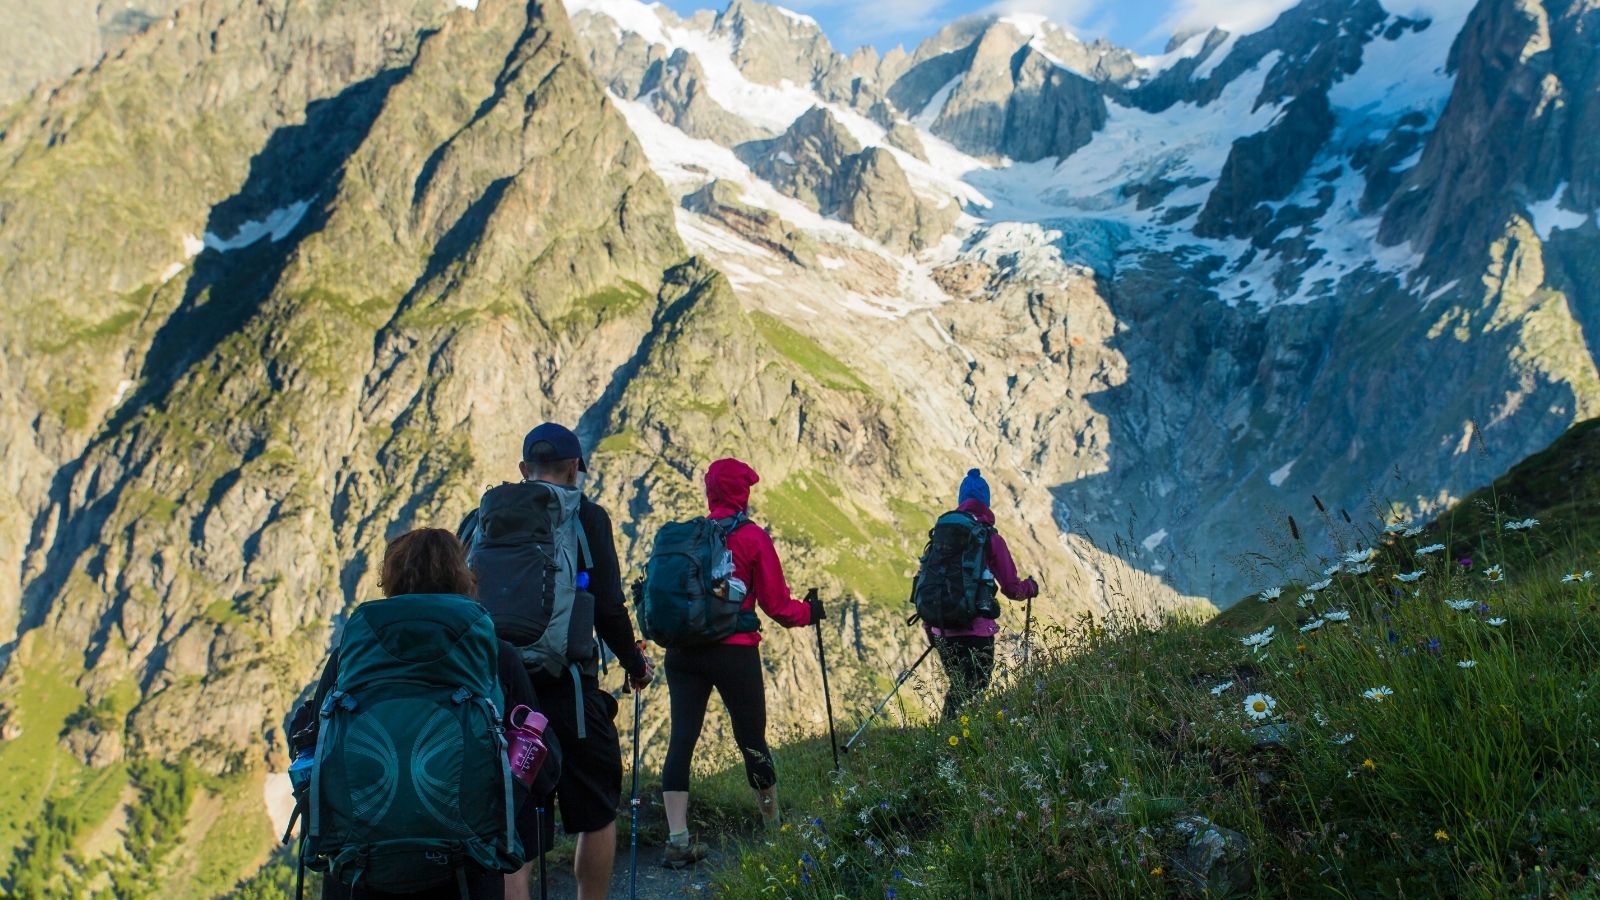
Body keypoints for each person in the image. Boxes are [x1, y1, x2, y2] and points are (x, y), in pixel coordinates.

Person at [288, 528, 560, 900]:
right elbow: (543, 768)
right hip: (467, 870)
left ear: (390, 582)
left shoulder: (348, 658)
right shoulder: (496, 655)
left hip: (360, 871)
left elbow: (315, 752)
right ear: (463, 578)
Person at [459, 422, 654, 900]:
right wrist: (634, 663)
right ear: (574, 468)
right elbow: (607, 606)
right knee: (596, 812)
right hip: (568, 691)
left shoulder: (479, 518)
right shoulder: (587, 518)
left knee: (514, 827)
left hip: (498, 693)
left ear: (524, 469)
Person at [659, 457, 824, 869]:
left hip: (683, 653)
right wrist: (810, 612)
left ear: (709, 491)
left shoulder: (689, 537)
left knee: (682, 740)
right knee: (751, 738)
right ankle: (772, 828)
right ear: (743, 494)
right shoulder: (752, 537)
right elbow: (779, 607)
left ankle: (677, 838)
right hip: (734, 651)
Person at [924, 468, 1038, 720]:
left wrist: (930, 625)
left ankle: (952, 740)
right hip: (974, 629)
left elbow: (928, 579)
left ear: (961, 500)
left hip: (940, 628)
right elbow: (1011, 588)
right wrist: (1030, 588)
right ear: (985, 502)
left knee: (960, 687)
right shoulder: (988, 537)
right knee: (975, 685)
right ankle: (954, 742)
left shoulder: (942, 534)